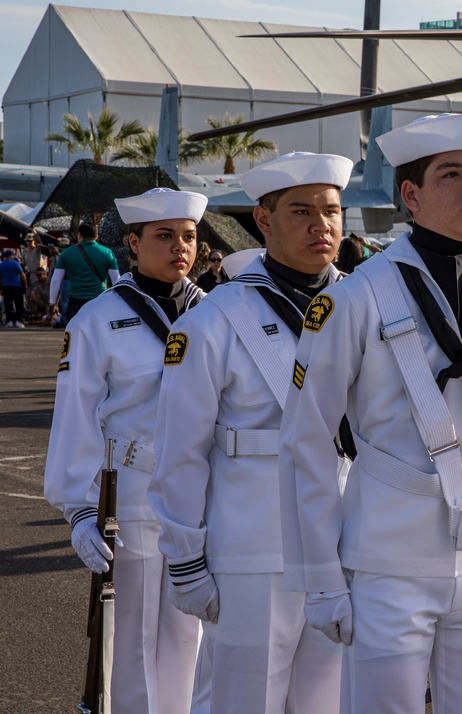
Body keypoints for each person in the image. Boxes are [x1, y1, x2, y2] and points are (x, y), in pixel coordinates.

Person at [279, 113, 462, 714]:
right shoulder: (354, 297)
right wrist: (320, 577)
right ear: (410, 196)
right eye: (452, 174)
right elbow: (307, 442)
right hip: (387, 561)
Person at [149, 152, 352, 714]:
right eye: (301, 211)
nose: (322, 226)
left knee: (328, 703)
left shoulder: (366, 308)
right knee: (243, 700)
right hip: (253, 551)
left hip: (346, 546)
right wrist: (186, 560)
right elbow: (181, 453)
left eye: (332, 211)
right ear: (263, 221)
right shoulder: (213, 322)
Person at [44, 187, 210, 713]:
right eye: (164, 237)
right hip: (133, 496)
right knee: (132, 642)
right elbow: (75, 420)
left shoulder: (217, 313)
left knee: (195, 637)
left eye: (188, 237)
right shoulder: (96, 321)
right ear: (133, 244)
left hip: (203, 495)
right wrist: (79, 510)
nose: (180, 248)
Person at [49, 223, 121, 323]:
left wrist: (52, 303)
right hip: (99, 301)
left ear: (79, 235)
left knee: (74, 336)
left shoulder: (66, 253)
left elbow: (56, 281)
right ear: (96, 236)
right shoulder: (107, 253)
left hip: (75, 303)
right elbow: (116, 280)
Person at [1, 249, 27, 327]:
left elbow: (0, 277)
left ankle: (9, 321)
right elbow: (22, 274)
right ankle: (19, 321)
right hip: (16, 286)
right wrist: (25, 283)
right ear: (10, 256)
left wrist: (1, 287)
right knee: (18, 303)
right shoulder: (15, 263)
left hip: (6, 286)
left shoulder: (1, 265)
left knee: (8, 304)